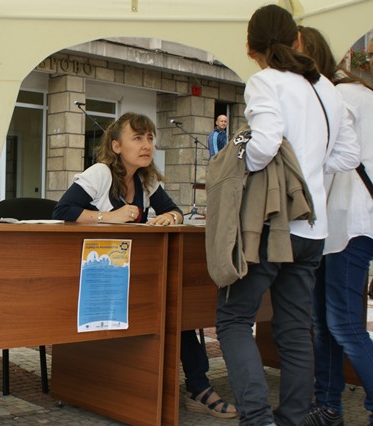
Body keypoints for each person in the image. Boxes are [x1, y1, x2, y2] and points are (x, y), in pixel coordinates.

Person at [214, 6, 360, 426]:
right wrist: (309, 167)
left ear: (250, 46)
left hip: (269, 224)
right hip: (312, 228)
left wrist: (249, 163)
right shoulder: (326, 87)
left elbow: (263, 145)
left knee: (234, 319)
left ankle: (258, 418)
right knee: (295, 328)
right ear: (297, 39)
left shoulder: (265, 81)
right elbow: (349, 155)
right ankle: (293, 418)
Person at [53, 112, 237, 419]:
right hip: (94, 281)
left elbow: (175, 210)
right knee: (169, 307)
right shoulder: (99, 174)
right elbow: (62, 210)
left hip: (132, 277)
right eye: (137, 138)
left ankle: (197, 387)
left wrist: (170, 217)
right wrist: (108, 217)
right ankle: (189, 387)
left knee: (177, 309)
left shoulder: (145, 180)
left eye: (150, 138)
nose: (146, 145)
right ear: (116, 146)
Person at [297, 26, 373, 426]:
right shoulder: (351, 94)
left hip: (348, 221)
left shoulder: (344, 97)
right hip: (337, 224)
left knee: (342, 324)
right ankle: (328, 407)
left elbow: (330, 158)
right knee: (326, 324)